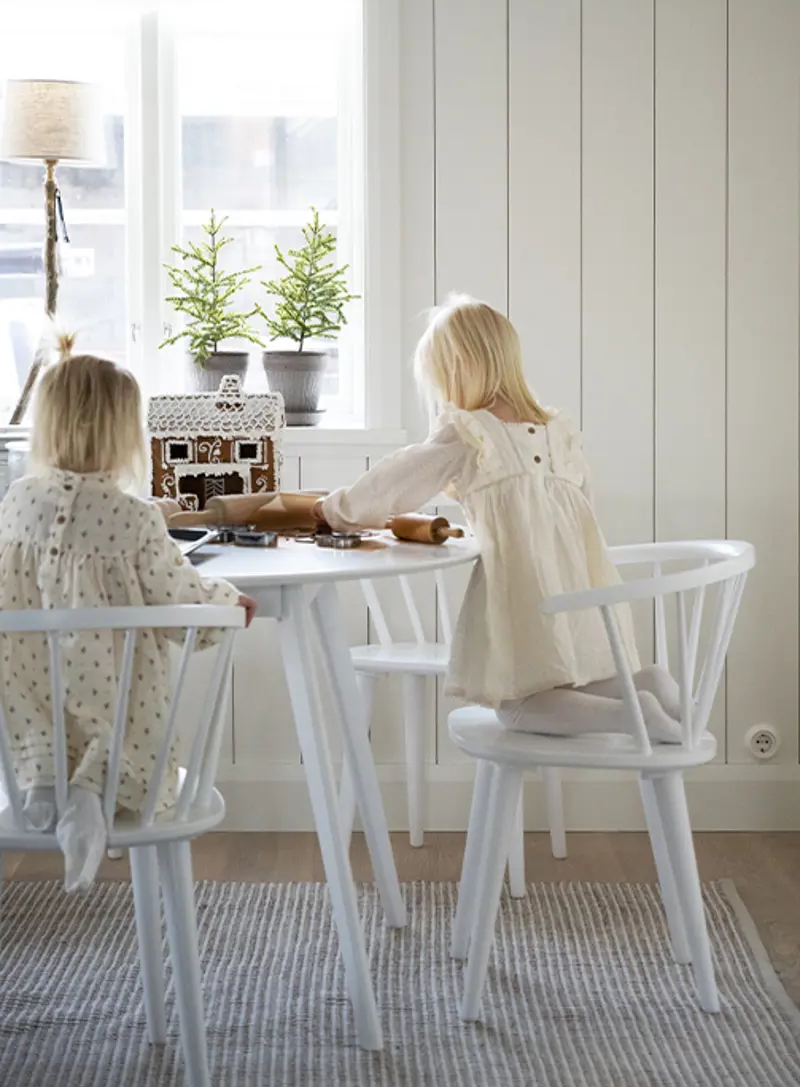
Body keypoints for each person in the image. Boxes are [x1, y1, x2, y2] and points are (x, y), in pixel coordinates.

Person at [316, 296, 682, 744]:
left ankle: (633, 714)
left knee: (517, 707)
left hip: (524, 587)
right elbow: (585, 505)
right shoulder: (558, 430)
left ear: (457, 367)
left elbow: (390, 487)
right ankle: (651, 684)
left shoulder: (469, 431)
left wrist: (331, 509)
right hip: (582, 587)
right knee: (561, 688)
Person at [0, 336, 256, 890]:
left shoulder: (16, 501)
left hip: (29, 696)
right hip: (113, 700)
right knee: (130, 712)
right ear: (123, 435)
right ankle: (94, 789)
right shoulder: (134, 518)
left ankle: (42, 779)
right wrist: (226, 603)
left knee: (29, 688)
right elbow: (177, 595)